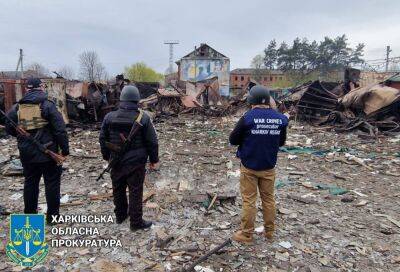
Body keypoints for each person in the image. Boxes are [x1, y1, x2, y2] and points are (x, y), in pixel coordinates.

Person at [229, 85, 288, 244]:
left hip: (249, 167)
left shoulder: (248, 117)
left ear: (251, 100)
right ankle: (269, 232)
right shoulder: (281, 119)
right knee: (268, 200)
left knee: (249, 200)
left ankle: (247, 234)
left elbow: (233, 140)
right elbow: (281, 142)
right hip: (269, 167)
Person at [5, 77, 69, 224]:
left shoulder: (17, 108)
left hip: (27, 155)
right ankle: (53, 218)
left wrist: (21, 137)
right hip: (48, 153)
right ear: (41, 88)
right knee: (52, 184)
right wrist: (64, 150)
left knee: (30, 184)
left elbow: (9, 128)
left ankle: (30, 217)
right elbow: (60, 130)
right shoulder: (47, 105)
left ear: (26, 89)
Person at [99, 85, 159, 231]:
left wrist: (107, 157)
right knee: (135, 191)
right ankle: (136, 222)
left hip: (116, 161)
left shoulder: (109, 117)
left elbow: (102, 139)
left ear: (122, 99)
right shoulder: (143, 117)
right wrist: (154, 160)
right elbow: (152, 141)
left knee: (118, 189)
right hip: (136, 162)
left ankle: (120, 216)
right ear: (137, 100)